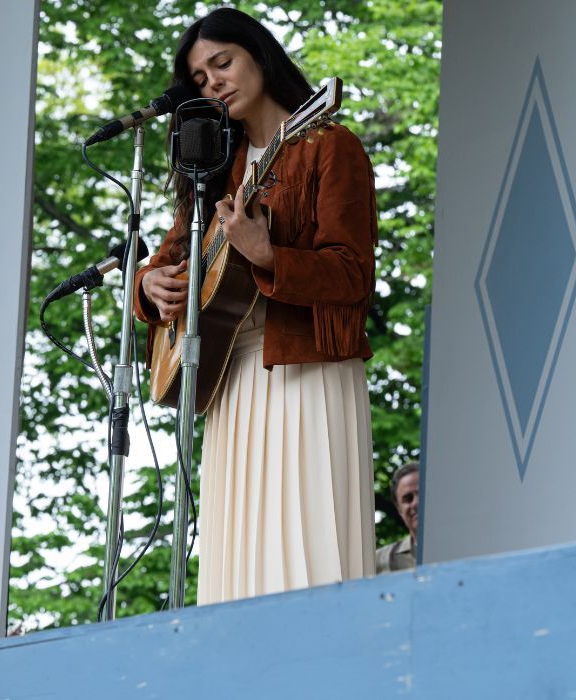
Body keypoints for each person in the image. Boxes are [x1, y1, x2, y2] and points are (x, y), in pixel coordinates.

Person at [135, 8, 378, 604]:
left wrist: (269, 255)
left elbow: (353, 276)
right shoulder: (213, 169)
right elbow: (165, 262)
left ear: (260, 58)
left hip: (306, 372)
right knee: (237, 562)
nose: (212, 82)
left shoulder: (330, 146)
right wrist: (147, 288)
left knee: (307, 558)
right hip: (230, 381)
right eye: (198, 78)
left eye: (223, 63)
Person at [377, 463, 419, 573]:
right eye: (408, 498)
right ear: (399, 510)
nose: (416, 503)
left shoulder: (465, 550)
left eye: (423, 494)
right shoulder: (377, 562)